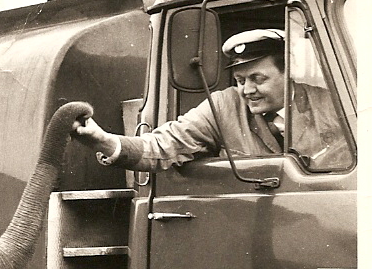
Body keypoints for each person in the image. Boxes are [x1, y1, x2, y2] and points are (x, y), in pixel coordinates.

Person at [69, 28, 345, 171]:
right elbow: (164, 145)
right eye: (240, 80)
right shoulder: (224, 106)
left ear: (289, 74)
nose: (247, 90)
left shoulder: (333, 106)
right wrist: (101, 140)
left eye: (258, 79)